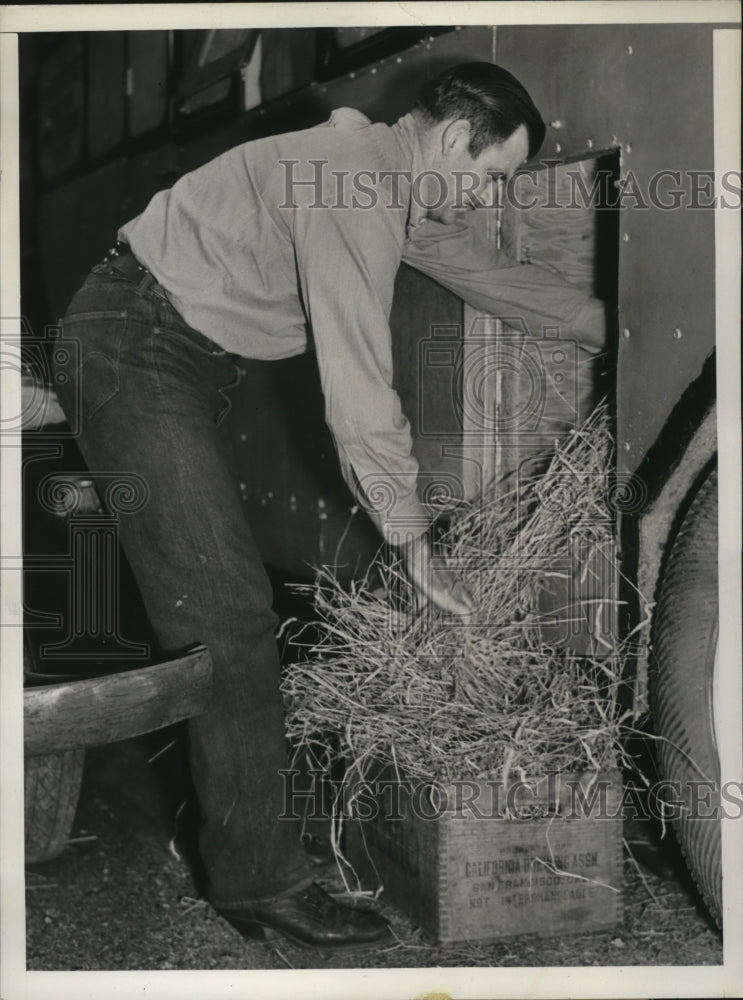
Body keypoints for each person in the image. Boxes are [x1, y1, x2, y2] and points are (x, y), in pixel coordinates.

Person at [53, 62, 607, 950]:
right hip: (135, 349)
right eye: (490, 174)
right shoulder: (354, 187)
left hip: (163, 348)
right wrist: (415, 545)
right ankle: (258, 879)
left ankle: (253, 834)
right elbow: (358, 392)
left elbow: (473, 266)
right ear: (450, 137)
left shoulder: (380, 174)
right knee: (226, 614)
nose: (482, 197)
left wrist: (593, 321)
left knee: (223, 607)